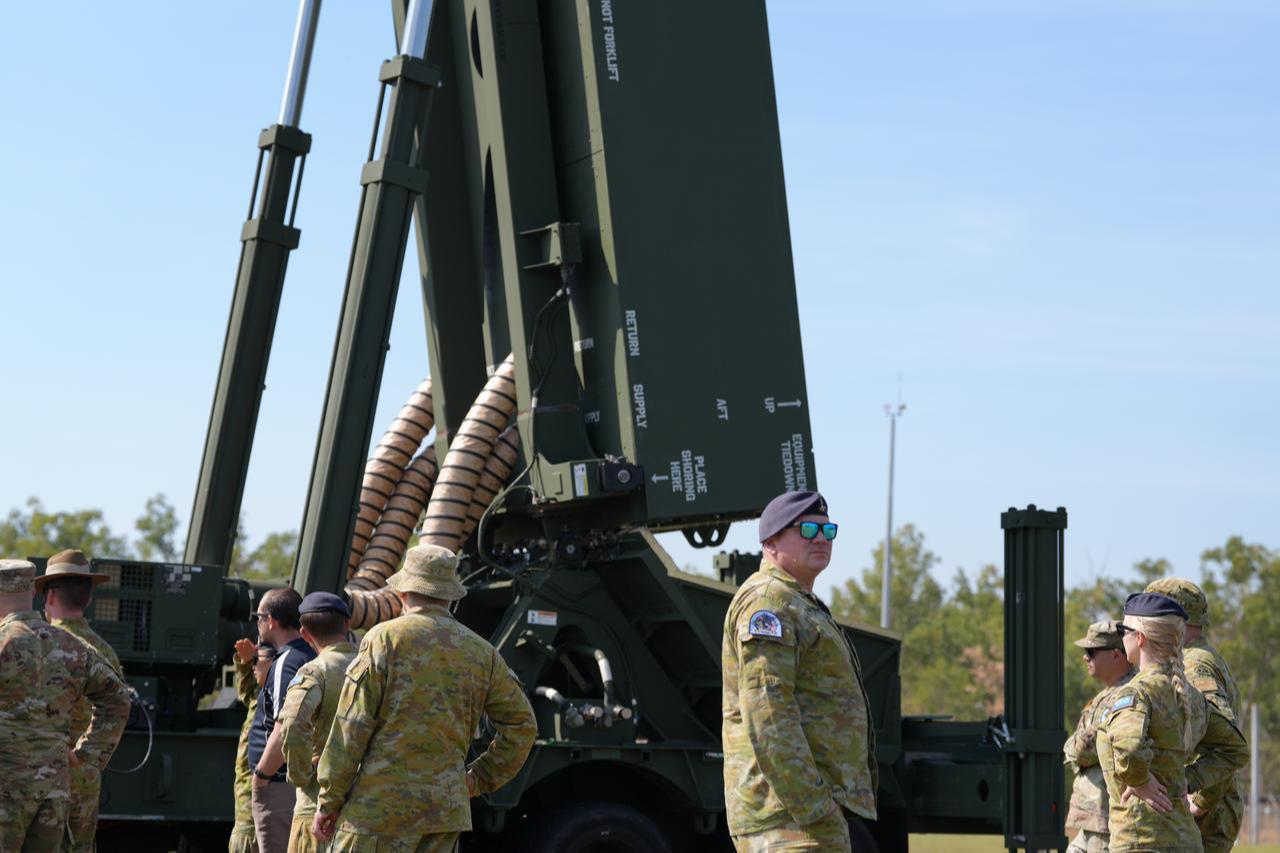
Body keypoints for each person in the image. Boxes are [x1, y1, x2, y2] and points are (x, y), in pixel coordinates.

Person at [311, 543, 537, 852]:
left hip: (378, 812)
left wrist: (329, 800)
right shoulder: (481, 652)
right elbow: (523, 725)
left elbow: (352, 725)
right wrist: (477, 779)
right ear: (449, 596)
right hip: (443, 815)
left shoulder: (384, 638)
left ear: (403, 593)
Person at [721, 490, 878, 852]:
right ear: (771, 541)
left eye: (827, 530)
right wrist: (814, 805)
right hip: (790, 820)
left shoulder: (794, 601)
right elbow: (769, 714)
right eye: (807, 529)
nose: (821, 538)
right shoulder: (769, 603)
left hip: (798, 818)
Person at [1096, 592, 1246, 852]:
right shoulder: (1192, 698)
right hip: (1186, 841)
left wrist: (1141, 782)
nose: (1121, 636)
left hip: (1141, 839)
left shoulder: (1136, 693)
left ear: (1140, 638)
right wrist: (1188, 781)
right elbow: (1235, 750)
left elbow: (1128, 749)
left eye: (1124, 629)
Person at [0, 559, 131, 851]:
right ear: (33, 594)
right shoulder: (74, 647)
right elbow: (119, 698)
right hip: (54, 793)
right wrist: (89, 753)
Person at [1145, 578, 1246, 853]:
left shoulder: (1194, 663)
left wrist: (1199, 801)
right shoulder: (1194, 656)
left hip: (1207, 815)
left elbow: (1224, 743)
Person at [35, 549, 125, 852]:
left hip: (37, 776)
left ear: (48, 597)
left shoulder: (35, 645)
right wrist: (86, 756)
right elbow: (118, 706)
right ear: (87, 599)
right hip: (83, 778)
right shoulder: (104, 651)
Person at [277, 592, 357, 852]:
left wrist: (302, 776)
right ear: (346, 624)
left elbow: (291, 726)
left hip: (317, 807)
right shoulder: (373, 666)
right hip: (366, 805)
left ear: (304, 632)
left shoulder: (315, 671)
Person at [249, 589, 317, 853]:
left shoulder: (288, 661)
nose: (257, 622)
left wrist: (261, 775)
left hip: (277, 785)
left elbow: (284, 725)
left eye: (259, 616)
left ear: (272, 621)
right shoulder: (306, 654)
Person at [1065, 620, 1136, 853]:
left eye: (1091, 652)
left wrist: (1075, 746)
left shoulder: (1130, 693)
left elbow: (1086, 746)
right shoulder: (1105, 695)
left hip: (1108, 819)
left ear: (1116, 655)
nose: (1086, 658)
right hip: (1092, 818)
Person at [230, 640, 276, 853]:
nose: (254, 666)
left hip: (255, 805)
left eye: (259, 661)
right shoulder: (261, 697)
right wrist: (245, 662)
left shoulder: (275, 700)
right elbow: (247, 693)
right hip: (246, 806)